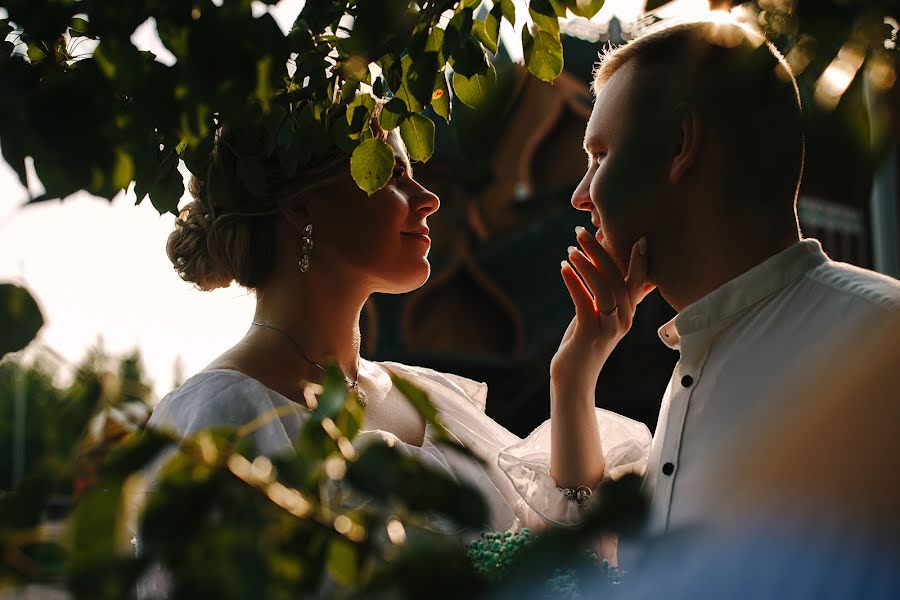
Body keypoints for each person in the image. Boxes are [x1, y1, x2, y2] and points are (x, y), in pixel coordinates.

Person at [144, 107, 651, 541]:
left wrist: (573, 377)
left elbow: (562, 547)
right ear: (301, 205)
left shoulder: (426, 394)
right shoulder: (219, 419)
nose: (427, 198)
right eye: (391, 175)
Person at [560, 17, 900, 537]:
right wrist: (573, 380)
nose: (581, 196)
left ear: (679, 144)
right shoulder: (696, 369)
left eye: (600, 156)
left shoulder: (882, 341)